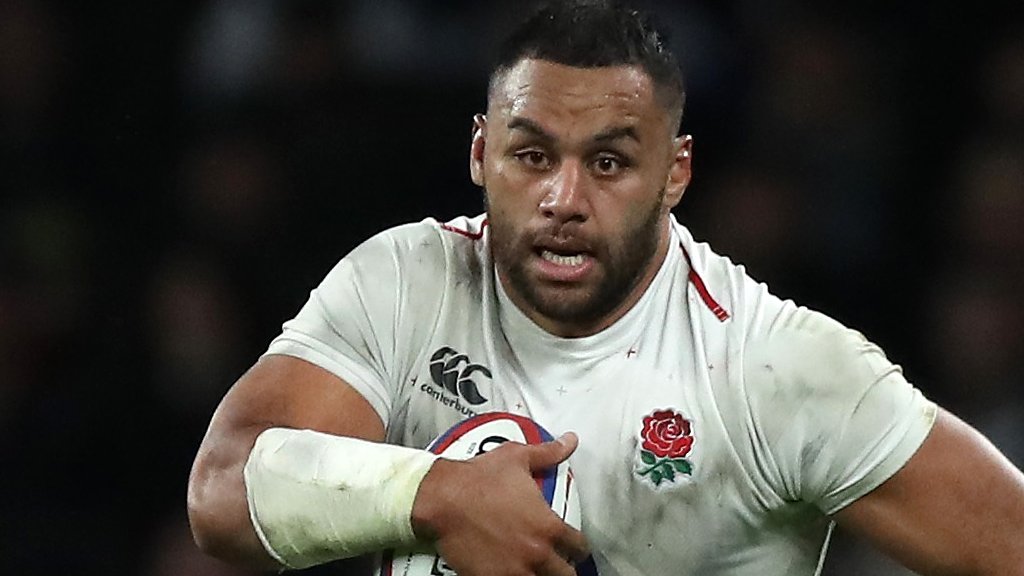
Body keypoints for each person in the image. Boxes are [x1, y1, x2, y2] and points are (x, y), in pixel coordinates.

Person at [186, 1, 1024, 574]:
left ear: (676, 173)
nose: (564, 199)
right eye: (532, 155)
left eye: (610, 163)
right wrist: (432, 495)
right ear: (480, 153)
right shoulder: (406, 283)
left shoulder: (774, 369)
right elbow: (221, 488)